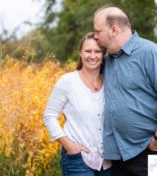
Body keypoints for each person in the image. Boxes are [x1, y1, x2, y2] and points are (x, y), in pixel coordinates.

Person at [93, 5, 157, 176]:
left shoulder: (150, 53)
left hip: (152, 150)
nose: (95, 37)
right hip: (120, 154)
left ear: (113, 30)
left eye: (98, 31)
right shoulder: (109, 59)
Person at [43, 32, 112, 176]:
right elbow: (49, 116)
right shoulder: (67, 82)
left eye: (97, 51)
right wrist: (69, 146)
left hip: (108, 162)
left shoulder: (110, 83)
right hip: (77, 160)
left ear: (103, 54)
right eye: (88, 51)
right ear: (80, 53)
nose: (92, 56)